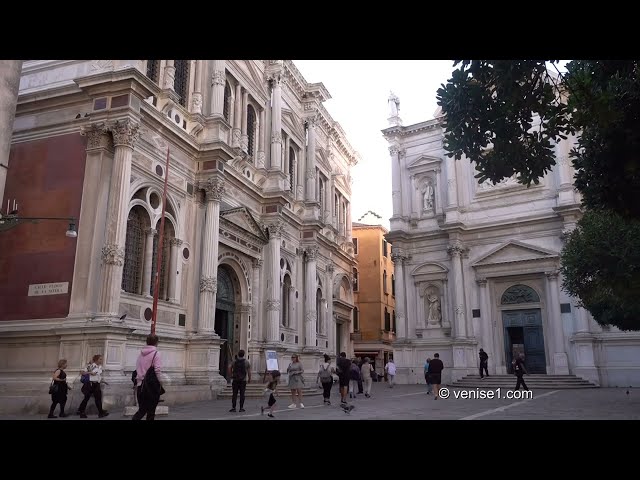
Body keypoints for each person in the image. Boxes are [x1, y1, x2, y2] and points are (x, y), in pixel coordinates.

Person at [132, 334, 165, 421]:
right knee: (151, 412)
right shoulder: (156, 354)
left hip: (140, 386)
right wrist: (161, 382)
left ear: (147, 342)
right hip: (151, 386)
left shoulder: (141, 354)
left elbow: (137, 368)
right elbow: (157, 370)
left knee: (141, 410)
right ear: (156, 343)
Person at [77, 354, 109, 418]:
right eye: (100, 359)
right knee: (87, 398)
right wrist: (90, 373)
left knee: (98, 399)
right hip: (90, 384)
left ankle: (100, 412)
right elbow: (82, 372)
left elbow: (98, 376)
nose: (101, 360)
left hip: (96, 384)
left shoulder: (99, 367)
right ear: (96, 359)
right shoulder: (92, 366)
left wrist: (103, 381)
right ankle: (81, 412)